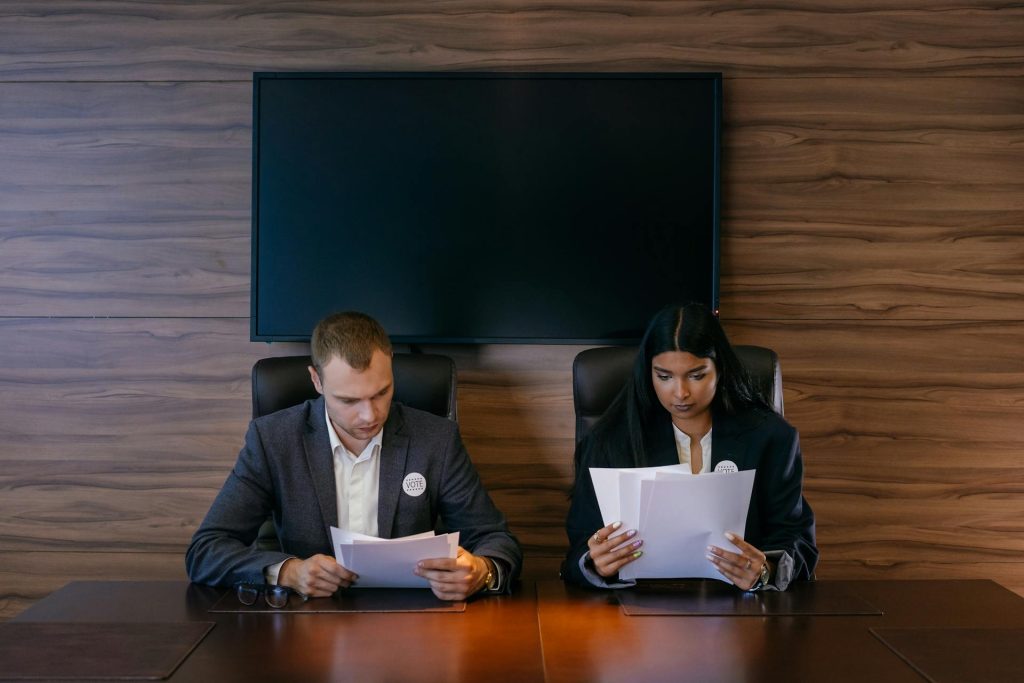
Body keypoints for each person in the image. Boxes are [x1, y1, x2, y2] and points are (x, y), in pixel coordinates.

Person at [187, 311, 521, 600]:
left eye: (382, 393)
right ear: (317, 381)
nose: (369, 415)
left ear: (391, 368)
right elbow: (206, 550)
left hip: (411, 620)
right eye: (348, 400)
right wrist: (288, 572)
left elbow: (495, 539)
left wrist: (482, 571)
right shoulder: (273, 440)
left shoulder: (435, 439)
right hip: (306, 623)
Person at [563, 303, 817, 590]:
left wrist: (765, 570)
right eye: (664, 377)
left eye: (697, 376)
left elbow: (798, 541)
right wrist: (595, 563)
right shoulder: (609, 441)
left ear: (720, 369)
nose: (681, 392)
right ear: (647, 373)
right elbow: (576, 554)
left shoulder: (770, 437)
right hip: (638, 610)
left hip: (740, 609)